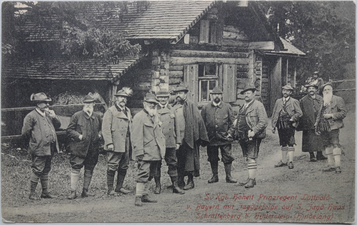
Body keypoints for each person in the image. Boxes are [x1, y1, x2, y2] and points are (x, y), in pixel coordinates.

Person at [22, 92, 61, 200]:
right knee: (37, 169)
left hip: (50, 147)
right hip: (39, 147)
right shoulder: (31, 116)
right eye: (44, 102)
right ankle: (32, 193)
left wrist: (55, 117)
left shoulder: (49, 114)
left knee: (46, 169)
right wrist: (34, 142)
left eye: (48, 102)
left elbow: (58, 126)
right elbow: (25, 133)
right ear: (38, 104)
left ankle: (45, 192)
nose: (47, 105)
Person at [172, 84, 209, 190]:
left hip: (189, 137)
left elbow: (199, 120)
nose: (178, 95)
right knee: (179, 159)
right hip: (177, 138)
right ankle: (180, 181)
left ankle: (190, 181)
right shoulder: (173, 106)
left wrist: (201, 137)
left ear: (185, 94)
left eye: (181, 93)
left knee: (190, 160)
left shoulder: (191, 105)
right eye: (177, 93)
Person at [131, 92, 166, 206]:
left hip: (155, 152)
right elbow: (136, 136)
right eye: (150, 103)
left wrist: (162, 150)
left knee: (151, 173)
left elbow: (159, 134)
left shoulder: (156, 116)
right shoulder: (138, 117)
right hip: (145, 152)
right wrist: (139, 153)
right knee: (143, 173)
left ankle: (145, 194)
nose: (152, 105)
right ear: (144, 103)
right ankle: (138, 197)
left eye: (154, 103)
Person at [67, 95, 102, 199]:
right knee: (76, 167)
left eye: (90, 104)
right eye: (86, 104)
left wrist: (100, 135)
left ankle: (85, 191)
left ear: (94, 105)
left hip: (93, 148)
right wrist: (79, 136)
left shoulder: (97, 116)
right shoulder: (77, 116)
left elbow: (101, 128)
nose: (88, 106)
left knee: (89, 168)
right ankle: (73, 191)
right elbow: (69, 130)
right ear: (83, 104)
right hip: (79, 148)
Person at [200, 86, 237, 184]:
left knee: (227, 156)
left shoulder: (227, 107)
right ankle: (214, 176)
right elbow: (202, 124)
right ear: (211, 95)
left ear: (221, 96)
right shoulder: (206, 108)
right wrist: (204, 137)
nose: (217, 96)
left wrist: (230, 133)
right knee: (212, 157)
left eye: (219, 94)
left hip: (224, 137)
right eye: (214, 94)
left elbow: (233, 123)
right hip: (211, 138)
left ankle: (229, 176)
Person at [235, 84, 267, 188]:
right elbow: (238, 119)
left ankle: (252, 180)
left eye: (248, 93)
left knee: (251, 157)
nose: (246, 95)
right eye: (245, 93)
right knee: (247, 157)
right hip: (242, 135)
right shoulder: (243, 106)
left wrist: (254, 130)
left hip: (253, 136)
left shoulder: (258, 105)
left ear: (254, 94)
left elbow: (264, 121)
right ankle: (250, 178)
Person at [102, 87, 133, 196]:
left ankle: (119, 187)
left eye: (125, 97)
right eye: (120, 97)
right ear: (116, 99)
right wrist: (109, 142)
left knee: (124, 165)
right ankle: (110, 189)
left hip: (126, 142)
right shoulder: (110, 111)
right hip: (115, 142)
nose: (122, 99)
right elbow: (105, 128)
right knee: (113, 165)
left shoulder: (128, 111)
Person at [154, 90, 185, 194]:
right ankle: (157, 186)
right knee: (156, 164)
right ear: (157, 98)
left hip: (170, 141)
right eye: (160, 97)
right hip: (157, 142)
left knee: (172, 163)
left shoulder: (172, 109)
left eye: (164, 97)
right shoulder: (154, 110)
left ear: (168, 98)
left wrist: (178, 142)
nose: (162, 99)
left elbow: (177, 126)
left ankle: (175, 186)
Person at [315, 82, 347, 173]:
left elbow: (344, 113)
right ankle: (331, 165)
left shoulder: (338, 99)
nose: (326, 91)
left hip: (334, 126)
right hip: (323, 126)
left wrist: (331, 115)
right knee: (327, 145)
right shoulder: (323, 100)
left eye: (328, 89)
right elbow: (319, 114)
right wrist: (316, 124)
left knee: (335, 144)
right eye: (325, 90)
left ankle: (337, 166)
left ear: (332, 90)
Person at [271, 84, 303, 169]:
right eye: (284, 90)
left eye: (287, 91)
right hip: (280, 124)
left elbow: (300, 113)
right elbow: (274, 113)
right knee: (283, 142)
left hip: (289, 124)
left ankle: (291, 161)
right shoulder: (278, 101)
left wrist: (293, 118)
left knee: (290, 142)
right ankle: (284, 160)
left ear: (290, 92)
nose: (285, 92)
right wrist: (273, 125)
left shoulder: (294, 101)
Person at [297, 83, 326, 161]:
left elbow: (324, 109)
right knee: (309, 139)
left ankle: (320, 154)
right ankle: (312, 155)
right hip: (308, 122)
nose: (311, 90)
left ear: (316, 90)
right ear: (307, 90)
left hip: (319, 121)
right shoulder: (303, 100)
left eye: (313, 88)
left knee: (319, 137)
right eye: (309, 89)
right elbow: (300, 111)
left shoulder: (320, 98)